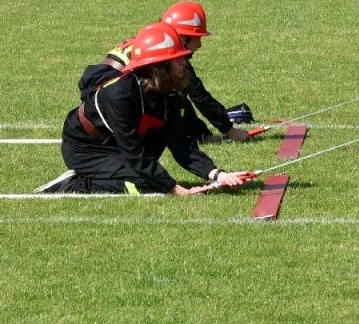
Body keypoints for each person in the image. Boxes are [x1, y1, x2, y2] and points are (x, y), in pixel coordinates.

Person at [41, 22, 252, 195]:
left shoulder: (170, 93)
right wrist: (175, 189)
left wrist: (218, 174)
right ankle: (74, 183)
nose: (184, 63)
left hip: (117, 144)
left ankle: (115, 172)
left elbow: (181, 145)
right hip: (86, 148)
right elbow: (133, 152)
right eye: (177, 59)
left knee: (151, 169)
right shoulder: (120, 95)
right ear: (159, 66)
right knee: (142, 184)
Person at [160, 0, 254, 144]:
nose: (199, 45)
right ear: (183, 38)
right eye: (197, 38)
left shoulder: (156, 45)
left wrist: (203, 134)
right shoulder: (162, 58)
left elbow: (182, 100)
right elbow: (198, 95)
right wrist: (230, 130)